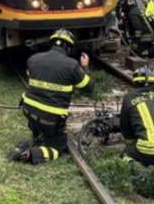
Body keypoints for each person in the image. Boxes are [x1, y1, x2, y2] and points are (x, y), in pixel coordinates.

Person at [10, 29, 93, 164]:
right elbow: (88, 87)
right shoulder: (72, 65)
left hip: (28, 111)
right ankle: (29, 155)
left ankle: (36, 136)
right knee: (58, 148)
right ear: (68, 47)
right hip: (51, 119)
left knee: (41, 125)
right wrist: (85, 67)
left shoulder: (33, 59)